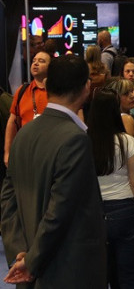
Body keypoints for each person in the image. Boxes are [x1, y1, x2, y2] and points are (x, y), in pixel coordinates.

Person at [1, 55, 106, 287]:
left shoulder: (23, 134)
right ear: (86, 87)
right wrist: (31, 261)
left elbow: (8, 199)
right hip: (67, 270)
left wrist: (20, 252)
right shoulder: (75, 139)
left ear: (48, 85)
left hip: (32, 265)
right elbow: (59, 210)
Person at [86, 88, 134, 289]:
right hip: (125, 211)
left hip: (94, 214)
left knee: (98, 278)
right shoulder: (126, 141)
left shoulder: (84, 141)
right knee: (129, 279)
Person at [4, 51, 50, 166]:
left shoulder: (57, 93)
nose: (35, 63)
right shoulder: (22, 91)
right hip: (26, 153)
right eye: (34, 61)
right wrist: (7, 152)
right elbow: (12, 122)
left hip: (50, 151)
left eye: (41, 61)